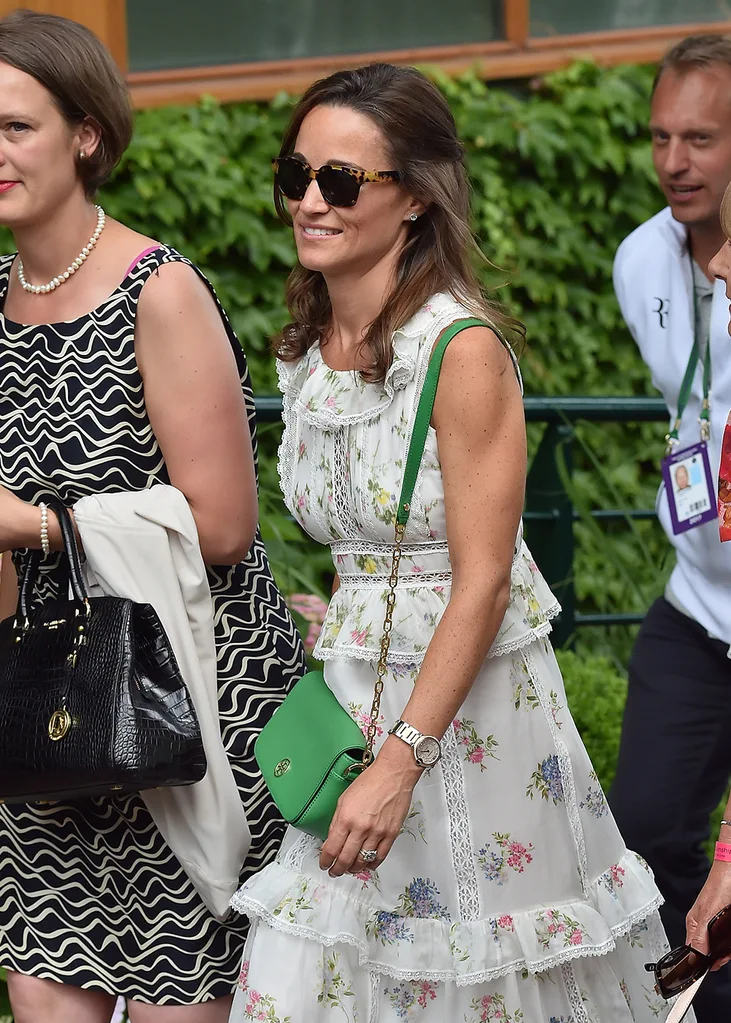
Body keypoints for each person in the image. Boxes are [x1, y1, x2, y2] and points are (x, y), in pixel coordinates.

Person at [227, 61, 679, 1022]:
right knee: (320, 971)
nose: (310, 200)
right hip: (351, 704)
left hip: (468, 726)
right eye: (295, 175)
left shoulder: (458, 350)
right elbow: (374, 546)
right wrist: (338, 608)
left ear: (416, 199)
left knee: (477, 970)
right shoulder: (306, 352)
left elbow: (480, 580)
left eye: (341, 182)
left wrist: (401, 761)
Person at [0, 10, 305, 1022]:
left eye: (14, 127)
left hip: (180, 715)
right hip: (45, 724)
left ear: (85, 134)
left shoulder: (156, 289)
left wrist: (33, 526)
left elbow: (221, 523)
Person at [609, 34, 731, 1022]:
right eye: (660, 137)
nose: (673, 161)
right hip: (698, 603)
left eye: (699, 138)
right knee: (643, 830)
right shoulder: (639, 258)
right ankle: (686, 997)